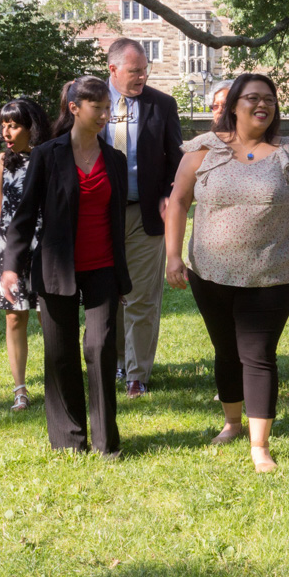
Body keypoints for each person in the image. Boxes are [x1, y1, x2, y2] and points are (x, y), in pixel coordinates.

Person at [165, 74, 289, 473]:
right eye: (252, 98)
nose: (261, 105)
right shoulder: (203, 150)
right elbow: (179, 202)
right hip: (210, 273)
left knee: (257, 354)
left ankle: (260, 445)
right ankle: (233, 422)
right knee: (225, 350)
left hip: (272, 273)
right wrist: (172, 256)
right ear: (233, 105)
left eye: (268, 99)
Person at [1, 76, 131, 455]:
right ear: (75, 108)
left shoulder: (115, 161)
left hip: (103, 266)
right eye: (98, 108)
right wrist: (12, 266)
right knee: (60, 354)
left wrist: (122, 276)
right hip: (56, 269)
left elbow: (117, 220)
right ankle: (69, 441)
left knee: (101, 346)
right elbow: (24, 216)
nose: (106, 114)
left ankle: (106, 442)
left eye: (109, 107)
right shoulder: (48, 155)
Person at [103, 39, 183, 397]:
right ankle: (117, 361)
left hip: (145, 213)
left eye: (145, 69)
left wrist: (169, 193)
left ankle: (137, 374)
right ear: (113, 70)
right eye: (135, 71)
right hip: (98, 215)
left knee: (141, 296)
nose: (142, 76)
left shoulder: (161, 104)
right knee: (108, 293)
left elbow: (175, 158)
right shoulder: (91, 98)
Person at [0, 98, 51, 411]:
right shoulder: (1, 161)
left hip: (43, 243)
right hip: (8, 246)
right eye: (3, 124)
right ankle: (20, 389)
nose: (6, 131)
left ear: (31, 127)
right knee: (14, 317)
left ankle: (58, 382)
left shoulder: (48, 157)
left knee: (48, 317)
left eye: (14, 124)